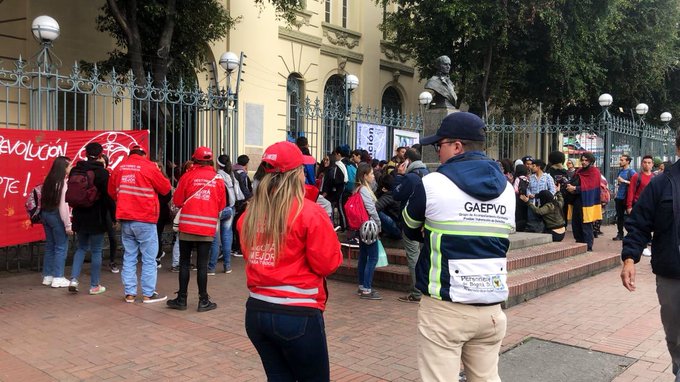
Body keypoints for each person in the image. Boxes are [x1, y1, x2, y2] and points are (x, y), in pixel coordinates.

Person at [402, 112, 515, 381]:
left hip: (445, 309)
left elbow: (408, 227)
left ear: (456, 146)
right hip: (491, 309)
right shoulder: (508, 190)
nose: (436, 152)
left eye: (438, 146)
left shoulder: (432, 184)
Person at [237, 141, 342, 381]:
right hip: (297, 313)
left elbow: (250, 255)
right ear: (296, 174)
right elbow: (327, 264)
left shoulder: (249, 214)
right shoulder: (309, 212)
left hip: (257, 311)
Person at [620, 131, 680, 382]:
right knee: (675, 335)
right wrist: (629, 258)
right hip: (672, 273)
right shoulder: (662, 183)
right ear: (678, 147)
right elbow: (640, 223)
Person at [108, 145, 172, 303]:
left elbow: (111, 191)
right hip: (145, 219)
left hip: (126, 219)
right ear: (144, 154)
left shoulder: (120, 167)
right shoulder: (149, 167)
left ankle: (129, 293)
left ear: (130, 153)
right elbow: (165, 189)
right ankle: (148, 294)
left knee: (129, 257)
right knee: (149, 259)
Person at [167, 146, 225, 312]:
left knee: (184, 263)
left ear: (194, 159)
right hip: (206, 227)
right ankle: (203, 300)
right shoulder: (217, 179)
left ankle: (182, 299)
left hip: (187, 226)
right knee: (202, 265)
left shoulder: (187, 176)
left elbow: (177, 201)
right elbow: (222, 204)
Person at [68, 142, 116, 295]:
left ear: (85, 153)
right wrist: (114, 216)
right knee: (96, 250)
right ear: (101, 155)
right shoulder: (102, 173)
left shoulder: (76, 169)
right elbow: (108, 197)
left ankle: (73, 279)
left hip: (79, 215)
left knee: (81, 248)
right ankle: (94, 285)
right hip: (97, 216)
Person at [393, 147, 429, 303]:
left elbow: (397, 194)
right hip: (426, 222)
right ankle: (423, 287)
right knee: (422, 255)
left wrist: (399, 176)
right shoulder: (428, 174)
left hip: (411, 222)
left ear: (407, 160)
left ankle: (416, 292)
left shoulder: (410, 178)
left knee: (413, 256)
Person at [39, 156, 73, 288]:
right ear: (63, 168)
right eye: (69, 166)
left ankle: (47, 276)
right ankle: (58, 277)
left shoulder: (49, 180)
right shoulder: (63, 183)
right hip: (56, 216)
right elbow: (63, 207)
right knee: (61, 247)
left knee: (50, 246)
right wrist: (68, 225)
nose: (71, 168)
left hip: (46, 214)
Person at [354, 163, 382, 300]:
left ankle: (362, 286)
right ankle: (366, 288)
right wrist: (379, 224)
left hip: (361, 227)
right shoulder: (364, 190)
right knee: (373, 258)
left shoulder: (358, 189)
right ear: (365, 176)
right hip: (369, 227)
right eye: (371, 174)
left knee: (364, 257)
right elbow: (371, 209)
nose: (373, 176)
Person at [565, 153, 602, 252]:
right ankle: (579, 244)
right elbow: (574, 181)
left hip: (587, 202)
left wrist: (575, 188)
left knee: (586, 224)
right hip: (577, 200)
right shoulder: (579, 171)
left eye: (586, 160)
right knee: (576, 223)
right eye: (583, 160)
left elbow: (591, 186)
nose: (584, 162)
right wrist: (569, 186)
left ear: (591, 161)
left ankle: (588, 246)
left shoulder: (594, 172)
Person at [209, 154, 236, 274]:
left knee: (215, 239)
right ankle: (227, 266)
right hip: (230, 208)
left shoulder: (216, 176)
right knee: (227, 237)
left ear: (218, 163)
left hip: (217, 209)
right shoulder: (230, 175)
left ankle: (211, 267)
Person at [613, 155, 635, 242]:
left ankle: (632, 234)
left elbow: (635, 184)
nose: (620, 162)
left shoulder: (631, 172)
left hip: (627, 197)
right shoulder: (620, 171)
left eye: (622, 160)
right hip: (619, 197)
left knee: (631, 216)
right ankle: (620, 234)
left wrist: (624, 181)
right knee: (620, 216)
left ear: (627, 162)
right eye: (620, 160)